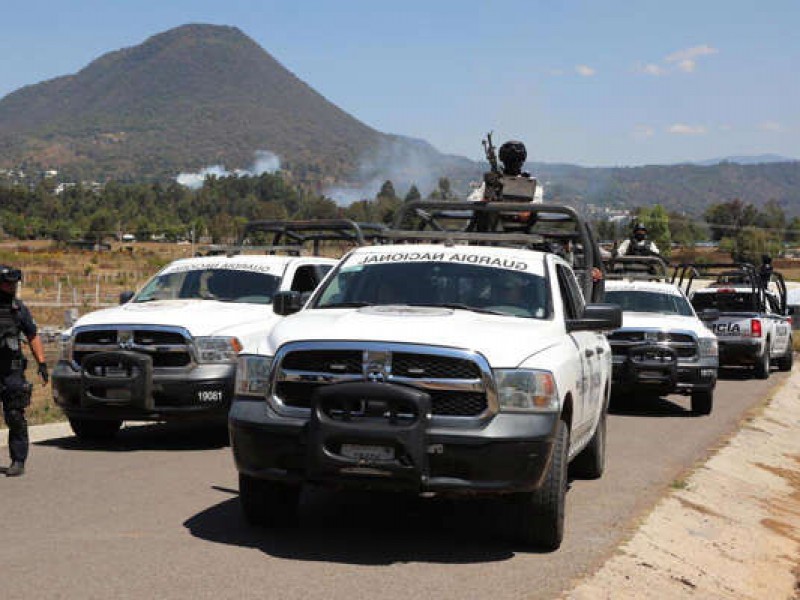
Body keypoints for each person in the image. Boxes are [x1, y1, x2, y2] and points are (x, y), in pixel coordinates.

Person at [0, 265, 48, 477]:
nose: (12, 287)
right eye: (8, 282)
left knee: (15, 415)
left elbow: (32, 335)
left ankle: (18, 460)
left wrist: (42, 363)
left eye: (14, 283)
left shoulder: (18, 309)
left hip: (11, 371)